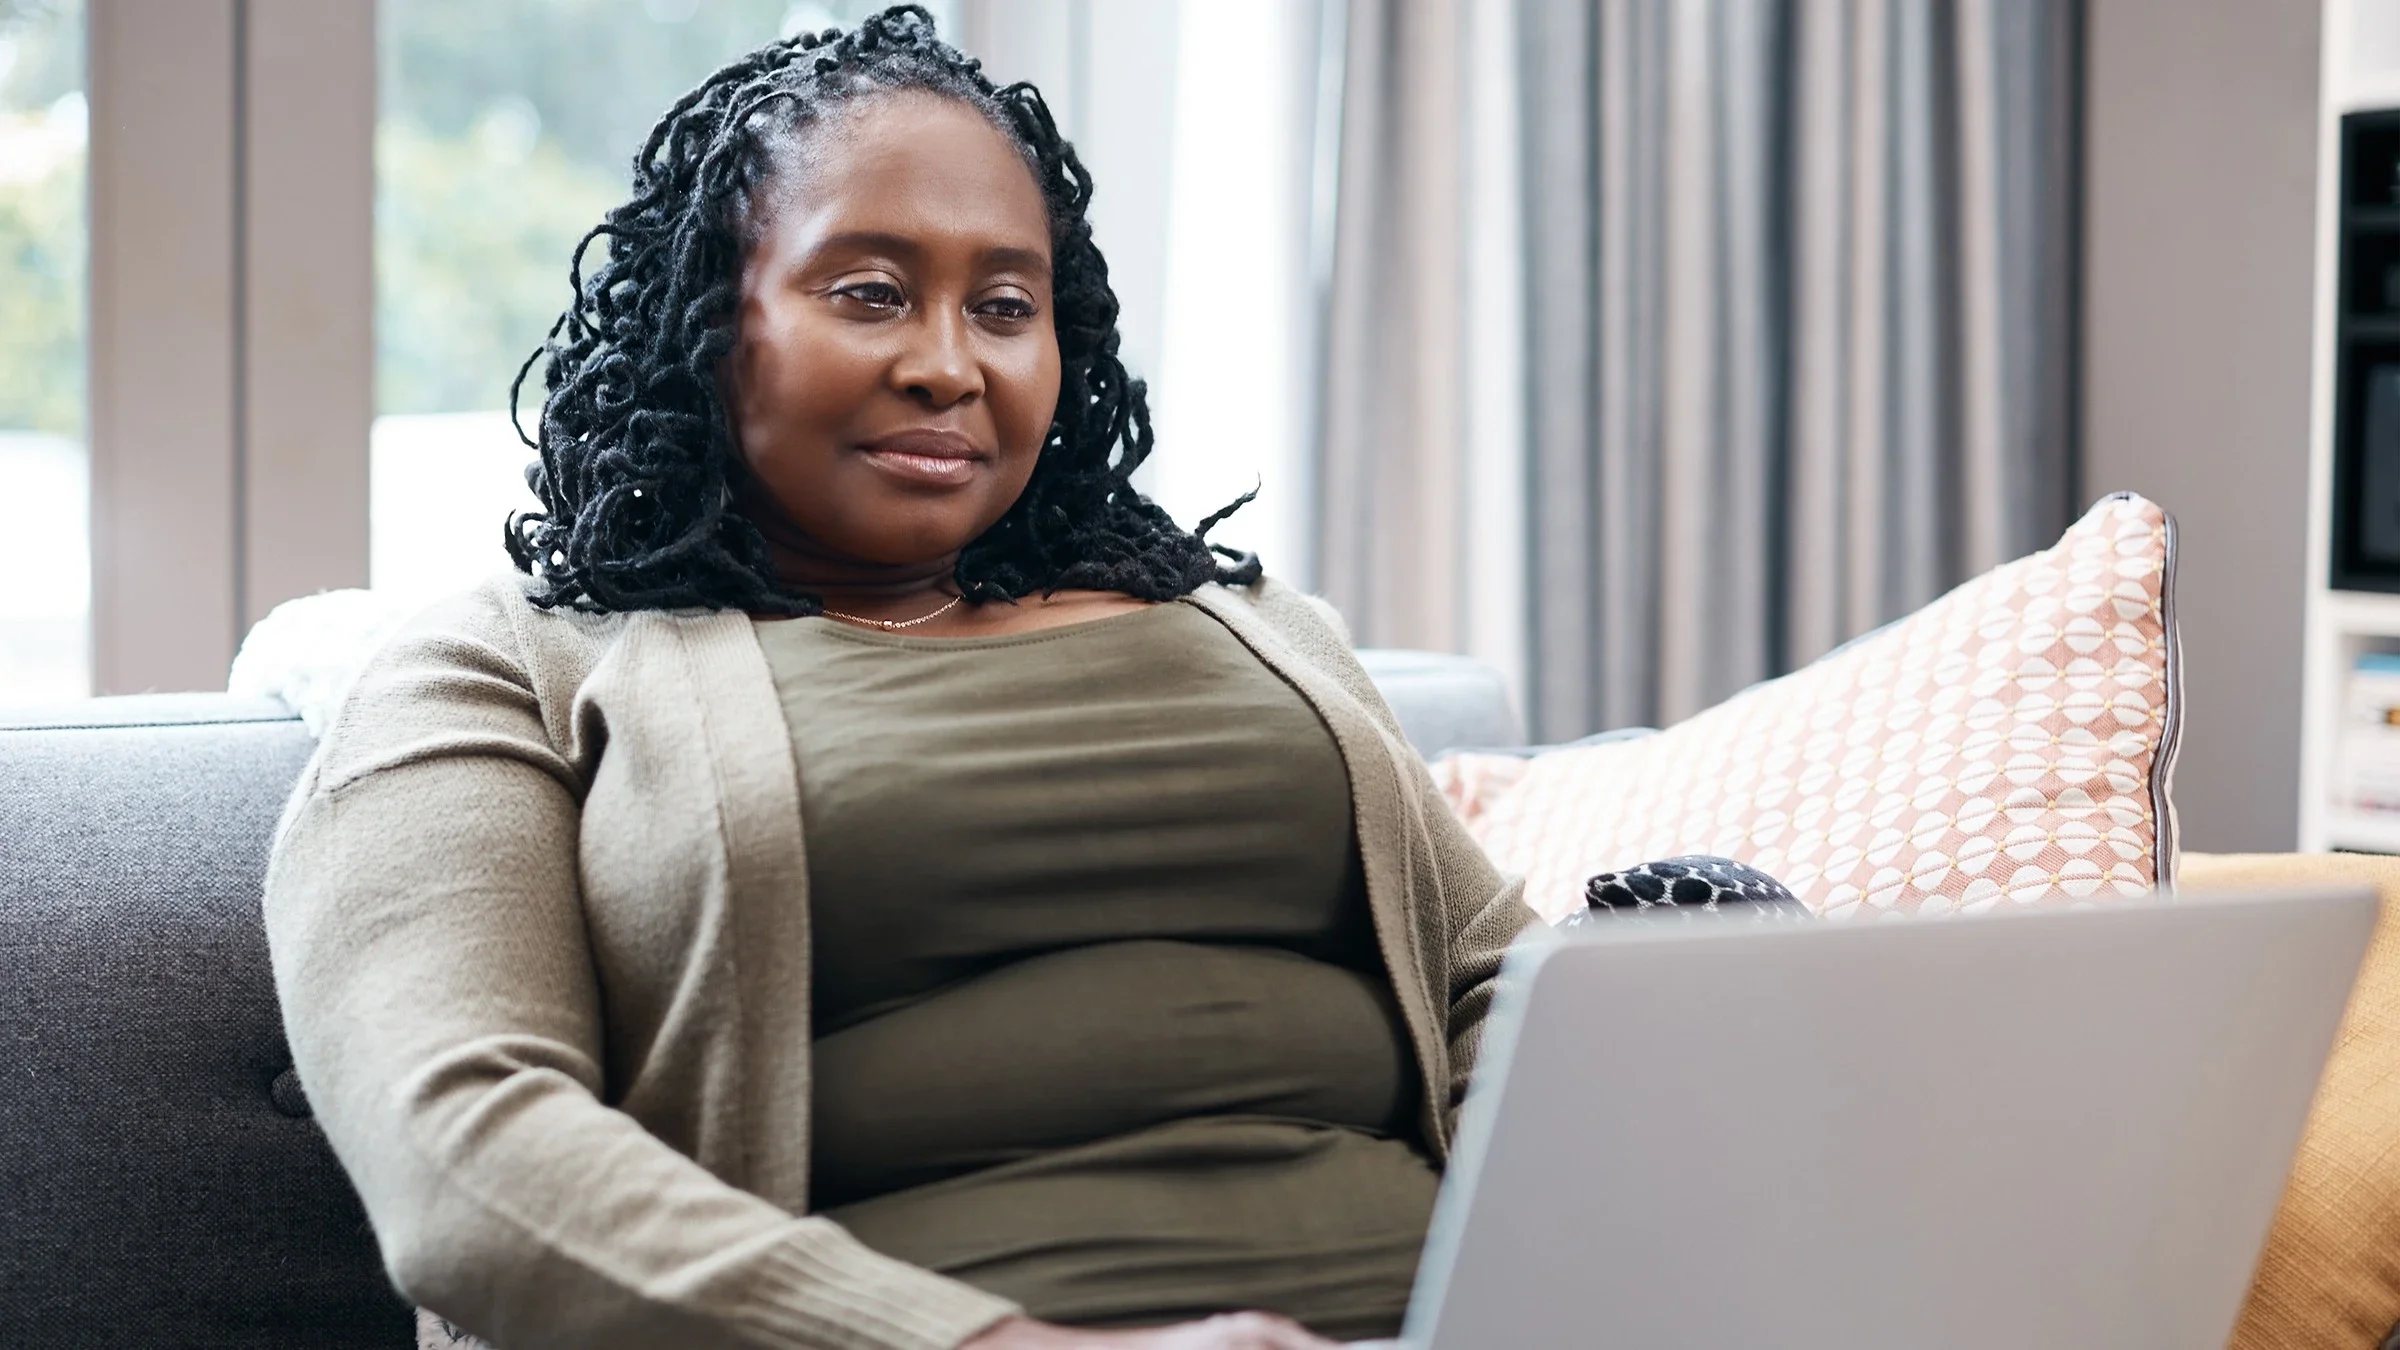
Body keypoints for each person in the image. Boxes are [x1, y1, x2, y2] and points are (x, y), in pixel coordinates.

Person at [263, 8, 1534, 1348]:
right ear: (710, 321)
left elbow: (1501, 984)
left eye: (1006, 307)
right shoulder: (502, 666)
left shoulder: (1255, 626)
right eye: (870, 293)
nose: (948, 365)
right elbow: (464, 1153)